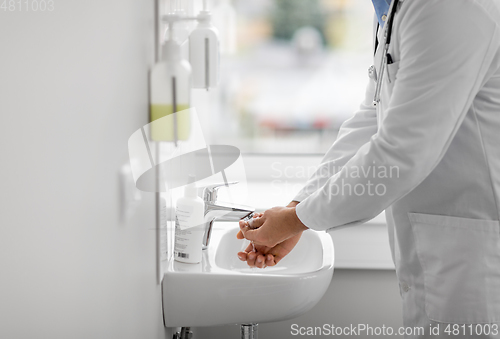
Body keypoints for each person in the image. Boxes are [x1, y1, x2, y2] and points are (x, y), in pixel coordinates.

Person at [237, 0, 500, 338]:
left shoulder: (450, 6)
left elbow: (398, 154)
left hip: (474, 258)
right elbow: (371, 119)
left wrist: (295, 220)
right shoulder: (396, 8)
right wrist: (296, 209)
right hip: (442, 250)